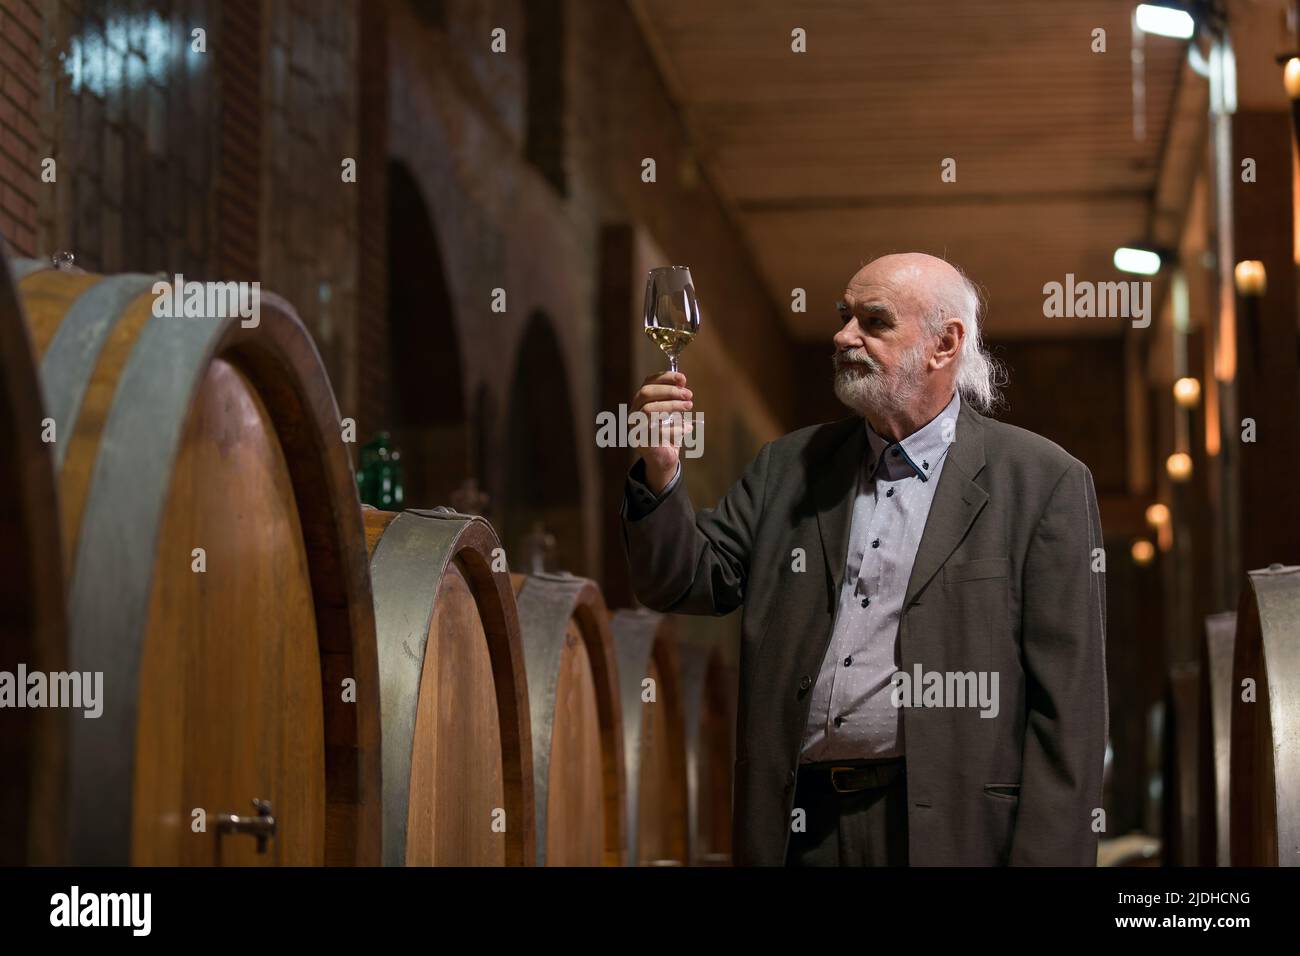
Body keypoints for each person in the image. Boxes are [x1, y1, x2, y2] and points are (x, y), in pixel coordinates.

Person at [619, 253, 1107, 865]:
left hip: (952, 835)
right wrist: (661, 475)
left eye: (873, 322)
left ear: (944, 344)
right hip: (800, 828)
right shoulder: (788, 468)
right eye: (844, 317)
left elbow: (1070, 712)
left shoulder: (1042, 481)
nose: (843, 336)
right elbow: (681, 583)